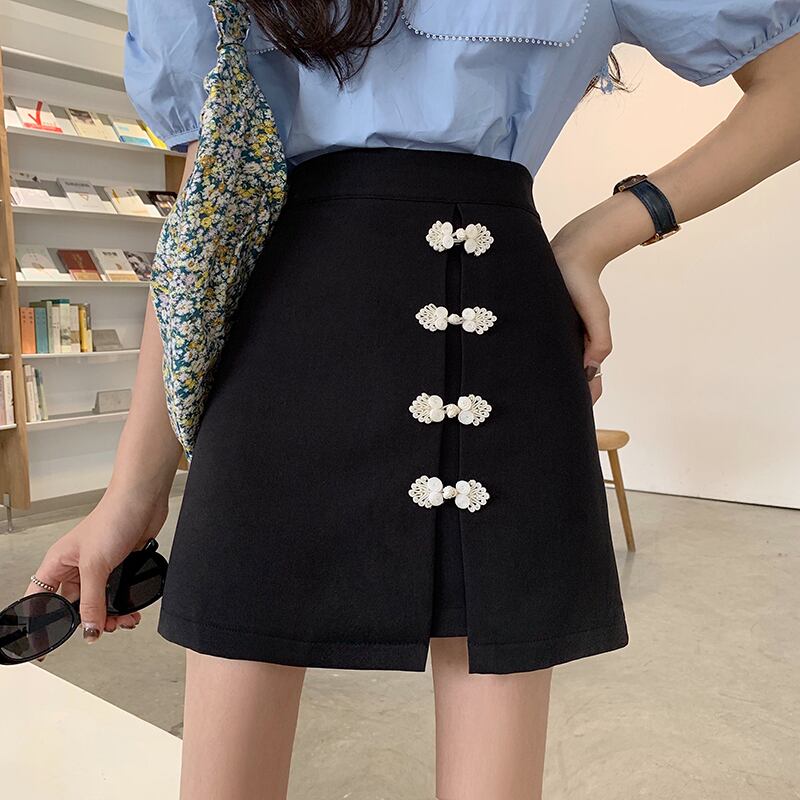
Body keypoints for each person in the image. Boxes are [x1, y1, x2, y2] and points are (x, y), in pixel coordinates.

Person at [25, 1, 800, 798]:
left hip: (494, 322)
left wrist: (599, 233)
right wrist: (133, 490)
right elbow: (209, 214)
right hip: (279, 341)